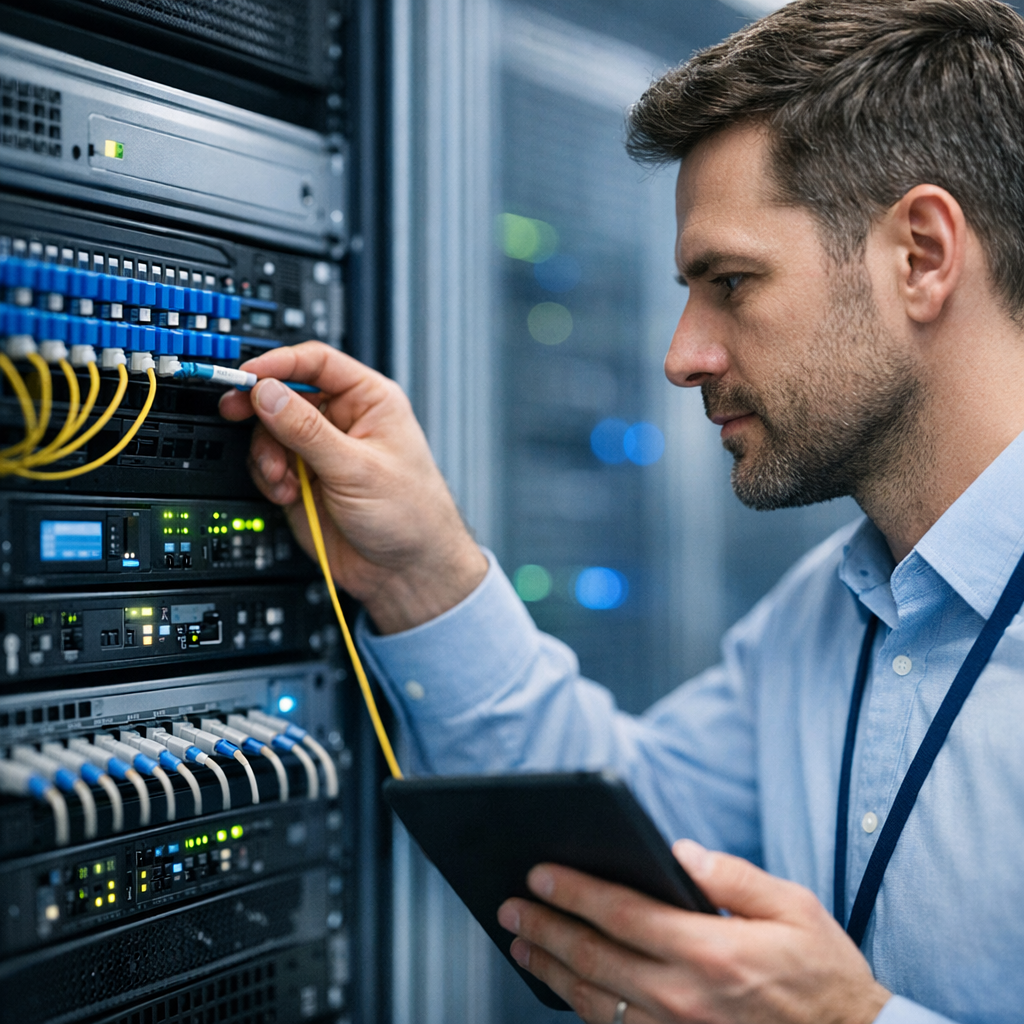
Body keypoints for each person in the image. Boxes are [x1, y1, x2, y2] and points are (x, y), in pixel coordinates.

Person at [219, 1, 1024, 1021]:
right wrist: (421, 573)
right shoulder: (827, 612)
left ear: (919, 254)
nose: (681, 355)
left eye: (731, 282)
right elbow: (637, 830)